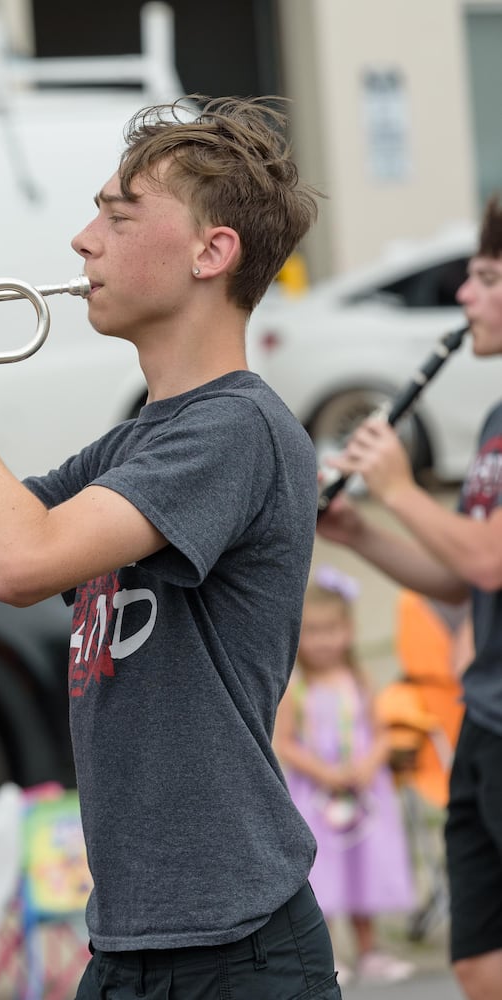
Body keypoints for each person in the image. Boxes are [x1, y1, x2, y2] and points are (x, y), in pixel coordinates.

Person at [0, 97, 336, 997]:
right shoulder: (137, 440)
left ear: (212, 254)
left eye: (118, 215)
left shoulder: (238, 429)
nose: (82, 240)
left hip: (237, 950)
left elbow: (19, 562)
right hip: (131, 942)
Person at [317, 192, 502, 1000]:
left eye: (487, 279)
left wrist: (398, 485)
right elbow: (461, 580)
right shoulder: (495, 420)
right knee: (477, 961)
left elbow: (490, 561)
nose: (465, 296)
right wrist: (363, 532)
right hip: (486, 718)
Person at [274, 567, 416, 985]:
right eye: (314, 631)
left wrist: (370, 763)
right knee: (326, 873)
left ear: (349, 630)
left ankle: (370, 949)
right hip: (318, 797)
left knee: (363, 868)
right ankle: (330, 954)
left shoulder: (359, 679)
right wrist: (326, 773)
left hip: (364, 796)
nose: (323, 640)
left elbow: (382, 732)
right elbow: (285, 743)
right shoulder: (295, 686)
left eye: (332, 629)